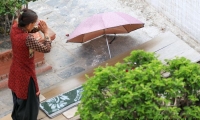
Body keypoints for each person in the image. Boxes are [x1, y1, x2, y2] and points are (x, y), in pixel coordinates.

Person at [8, 8, 53, 120]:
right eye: (33, 24)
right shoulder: (27, 39)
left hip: (15, 72)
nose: (34, 27)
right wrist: (46, 33)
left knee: (19, 101)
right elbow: (46, 49)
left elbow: (26, 29)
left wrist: (38, 28)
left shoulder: (14, 28)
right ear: (28, 24)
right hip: (26, 76)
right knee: (30, 105)